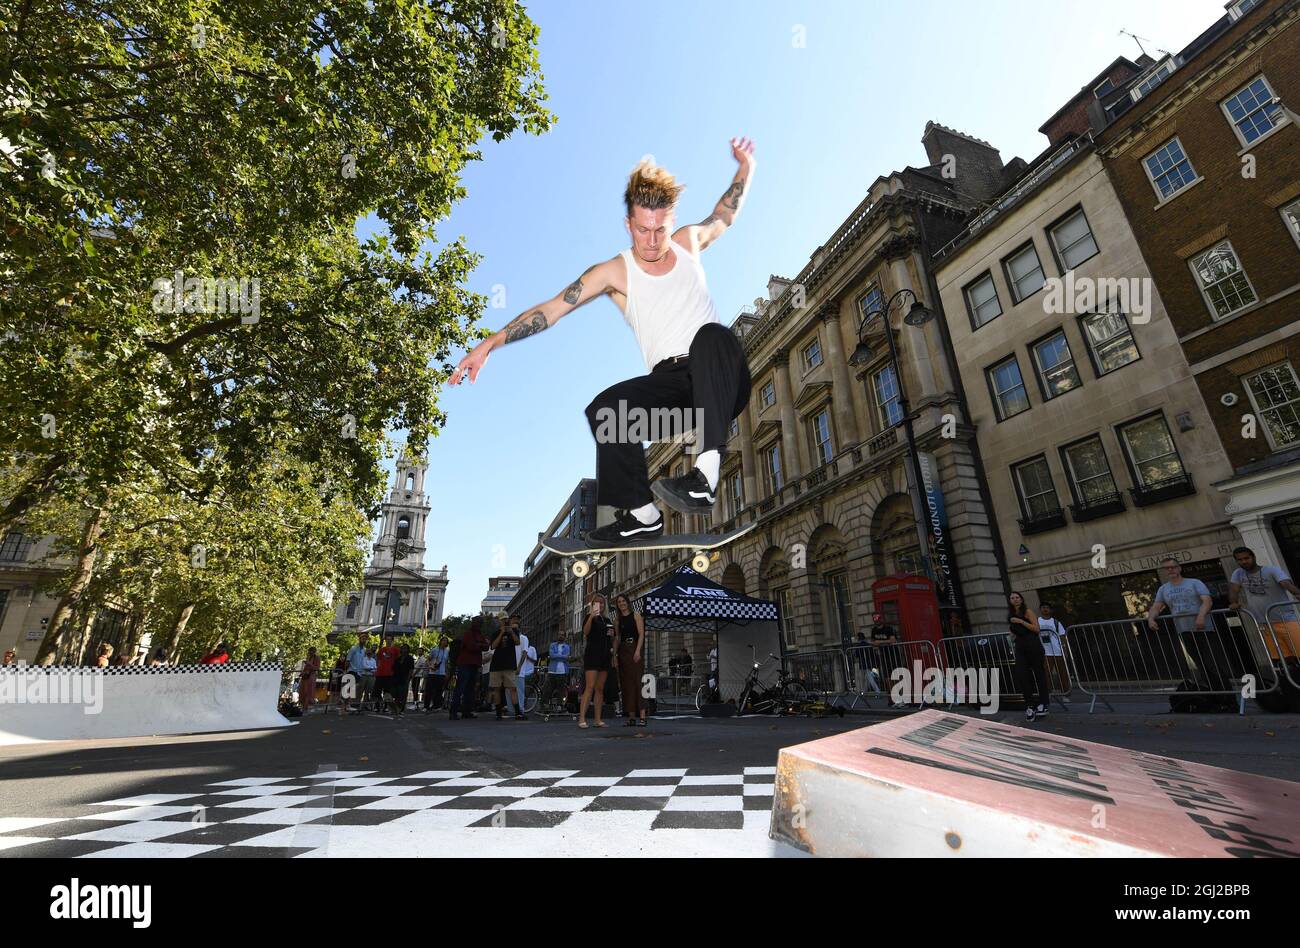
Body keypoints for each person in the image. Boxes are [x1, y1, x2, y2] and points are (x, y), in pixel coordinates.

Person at [450, 141, 758, 545]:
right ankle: (642, 514)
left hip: (721, 380)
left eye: (660, 230)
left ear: (672, 222)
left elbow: (726, 213)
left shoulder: (689, 243)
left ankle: (706, 473)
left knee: (711, 335)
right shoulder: (614, 272)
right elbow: (552, 309)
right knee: (607, 408)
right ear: (629, 224)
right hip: (676, 395)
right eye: (643, 230)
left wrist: (746, 166)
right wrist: (490, 342)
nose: (651, 241)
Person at [1147, 557, 1217, 686]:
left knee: (1212, 663)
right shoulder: (1163, 589)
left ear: (1179, 568)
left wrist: (1201, 616)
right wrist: (1151, 619)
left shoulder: (1194, 582)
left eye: (1173, 566)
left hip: (1203, 628)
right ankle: (1215, 694)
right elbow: (1156, 607)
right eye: (1167, 568)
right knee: (1200, 663)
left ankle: (1228, 698)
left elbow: (1207, 601)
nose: (1170, 570)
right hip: (1184, 630)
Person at [1229, 546, 1300, 653]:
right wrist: (1234, 602)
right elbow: (1233, 589)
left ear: (1253, 557)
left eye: (1246, 558)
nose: (1244, 561)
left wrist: (1297, 593)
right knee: (1282, 657)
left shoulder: (1271, 570)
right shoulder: (1238, 573)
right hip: (1263, 623)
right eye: (1240, 560)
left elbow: (1285, 583)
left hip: (1286, 619)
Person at [1008, 591, 1049, 721]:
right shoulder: (1010, 615)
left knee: (1039, 674)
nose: (1015, 599)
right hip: (1020, 647)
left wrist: (1021, 621)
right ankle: (1029, 705)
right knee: (1022, 675)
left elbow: (1036, 629)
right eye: (1012, 598)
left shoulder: (1028, 612)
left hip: (1033, 644)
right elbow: (1014, 632)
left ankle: (1043, 703)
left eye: (1017, 597)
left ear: (1021, 599)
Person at [578, 595, 614, 728]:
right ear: (593, 605)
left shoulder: (607, 620)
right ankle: (582, 718)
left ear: (605, 605)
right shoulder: (590, 617)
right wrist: (592, 616)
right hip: (592, 654)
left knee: (600, 688)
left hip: (605, 656)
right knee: (590, 686)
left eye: (602, 603)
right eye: (597, 603)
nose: (600, 605)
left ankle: (597, 719)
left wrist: (612, 635)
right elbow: (586, 632)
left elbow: (611, 637)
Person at [612, 593, 647, 726]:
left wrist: (638, 650)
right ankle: (631, 717)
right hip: (623, 651)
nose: (621, 603)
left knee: (638, 681)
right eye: (619, 602)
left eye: (623, 601)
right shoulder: (617, 620)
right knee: (626, 684)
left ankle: (642, 716)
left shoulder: (636, 615)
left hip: (634, 649)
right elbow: (617, 639)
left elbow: (641, 634)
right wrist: (614, 655)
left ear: (627, 602)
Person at [451, 618, 488, 720]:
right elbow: (472, 646)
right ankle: (454, 711)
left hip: (474, 664)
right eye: (479, 622)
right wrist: (480, 645)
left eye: (481, 623)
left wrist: (478, 645)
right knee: (460, 688)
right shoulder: (468, 634)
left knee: (470, 689)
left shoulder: (479, 634)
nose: (480, 624)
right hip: (465, 663)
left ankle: (466, 711)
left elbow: (486, 646)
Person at [1037, 603, 1070, 697]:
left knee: (1062, 673)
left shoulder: (1056, 622)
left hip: (1057, 651)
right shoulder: (1037, 621)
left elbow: (1062, 636)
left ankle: (1065, 694)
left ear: (1051, 610)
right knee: (1045, 674)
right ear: (1040, 609)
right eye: (1043, 607)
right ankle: (1048, 694)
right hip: (1045, 652)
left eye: (1047, 608)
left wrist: (1065, 650)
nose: (1045, 609)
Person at [489, 620, 521, 720]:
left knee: (513, 688)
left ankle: (518, 713)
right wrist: (501, 633)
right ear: (500, 622)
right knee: (497, 688)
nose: (505, 623)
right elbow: (493, 646)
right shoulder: (495, 633)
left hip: (509, 665)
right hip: (496, 665)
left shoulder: (514, 631)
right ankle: (498, 713)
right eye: (503, 621)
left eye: (506, 620)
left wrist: (511, 632)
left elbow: (517, 642)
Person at [513, 618, 535, 720]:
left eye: (515, 628)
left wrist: (519, 667)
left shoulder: (523, 638)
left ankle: (520, 710)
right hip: (511, 669)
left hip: (520, 670)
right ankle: (513, 710)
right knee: (511, 691)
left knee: (519, 691)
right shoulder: (510, 638)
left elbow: (524, 653)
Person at [374, 635, 400, 714]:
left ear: (392, 641)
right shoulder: (381, 650)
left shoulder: (396, 650)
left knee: (387, 692)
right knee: (377, 691)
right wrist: (377, 669)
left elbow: (397, 661)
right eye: (387, 639)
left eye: (389, 639)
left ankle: (386, 707)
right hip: (380, 673)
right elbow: (378, 660)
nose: (388, 641)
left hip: (389, 674)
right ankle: (377, 706)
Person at [547, 630, 572, 707]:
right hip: (552, 671)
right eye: (559, 634)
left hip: (562, 671)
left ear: (564, 637)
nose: (560, 636)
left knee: (561, 690)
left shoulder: (567, 647)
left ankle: (559, 706)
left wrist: (556, 655)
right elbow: (551, 655)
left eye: (562, 635)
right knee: (549, 690)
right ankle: (547, 705)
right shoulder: (552, 645)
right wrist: (563, 656)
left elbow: (566, 658)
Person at [425, 637, 449, 711]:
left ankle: (436, 705)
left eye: (446, 641)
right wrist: (430, 666)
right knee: (429, 690)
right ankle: (426, 706)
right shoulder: (434, 650)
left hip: (441, 673)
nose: (444, 642)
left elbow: (446, 663)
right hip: (433, 672)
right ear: (440, 641)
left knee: (439, 691)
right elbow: (428, 659)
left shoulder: (447, 651)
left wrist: (446, 673)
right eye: (443, 641)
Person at [346, 633, 369, 710]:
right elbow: (348, 660)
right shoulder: (353, 648)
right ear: (359, 639)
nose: (364, 640)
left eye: (365, 639)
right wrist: (346, 670)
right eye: (362, 638)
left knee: (354, 689)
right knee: (350, 688)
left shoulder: (364, 650)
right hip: (352, 670)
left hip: (359, 672)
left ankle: (349, 704)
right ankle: (346, 705)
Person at [392, 643, 414, 716]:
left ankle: (401, 709)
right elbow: (394, 668)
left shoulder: (410, 658)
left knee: (403, 695)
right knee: (396, 695)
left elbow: (411, 670)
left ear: (408, 650)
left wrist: (408, 679)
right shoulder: (398, 658)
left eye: (405, 648)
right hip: (396, 679)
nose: (403, 650)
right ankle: (396, 709)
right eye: (402, 648)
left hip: (404, 679)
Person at [298, 647, 321, 713]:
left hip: (311, 676)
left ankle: (306, 707)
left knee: (308, 692)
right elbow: (306, 667)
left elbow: (317, 668)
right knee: (303, 691)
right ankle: (303, 707)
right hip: (305, 676)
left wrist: (308, 663)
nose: (310, 653)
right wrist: (302, 673)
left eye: (311, 651)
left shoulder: (317, 658)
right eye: (309, 651)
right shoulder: (308, 657)